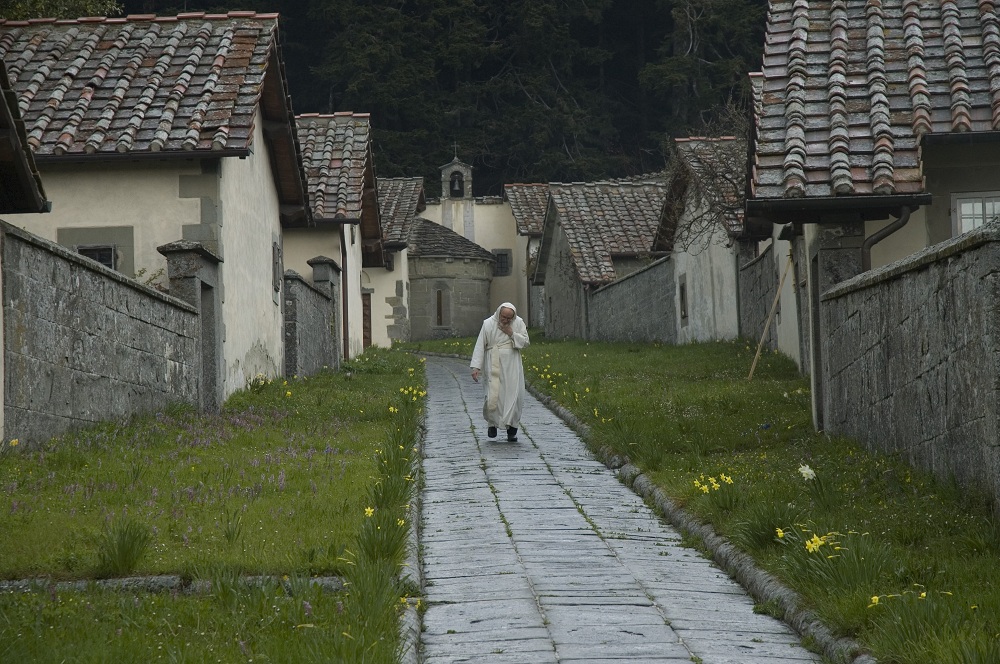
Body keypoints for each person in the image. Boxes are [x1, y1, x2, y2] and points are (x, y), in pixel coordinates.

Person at [470, 302, 529, 442]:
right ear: (499, 313)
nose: (506, 320)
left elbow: (526, 342)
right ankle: (492, 424)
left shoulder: (518, 323)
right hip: (493, 363)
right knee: (493, 396)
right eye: (504, 317)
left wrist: (511, 333)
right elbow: (480, 345)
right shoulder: (488, 323)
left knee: (514, 396)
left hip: (512, 365)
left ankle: (512, 430)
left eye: (509, 318)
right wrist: (476, 367)